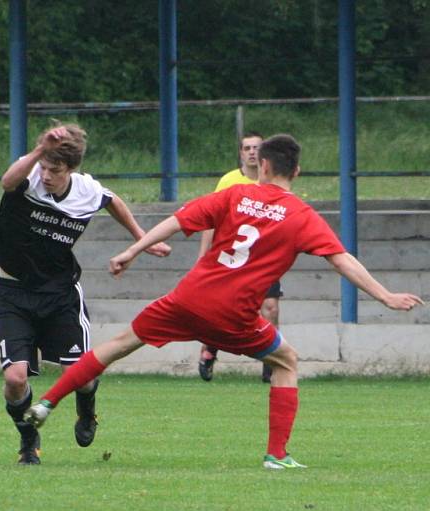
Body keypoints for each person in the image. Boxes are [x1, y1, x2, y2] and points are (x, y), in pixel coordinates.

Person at [24, 134, 423, 469]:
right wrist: (385, 296)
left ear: (262, 166)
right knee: (286, 361)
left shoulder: (235, 195)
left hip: (188, 298)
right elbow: (342, 260)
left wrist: (135, 250)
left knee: (115, 347)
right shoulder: (302, 216)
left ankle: (46, 402)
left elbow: (178, 220)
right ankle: (276, 455)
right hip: (234, 314)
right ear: (295, 172)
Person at [0, 122, 171, 465]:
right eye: (43, 166)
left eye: (54, 170)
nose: (46, 175)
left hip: (59, 294)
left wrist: (140, 237)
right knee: (15, 378)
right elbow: (7, 182)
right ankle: (28, 437)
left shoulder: (86, 190)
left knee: (82, 376)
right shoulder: (29, 179)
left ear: (71, 169)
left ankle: (87, 411)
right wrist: (40, 151)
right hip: (14, 291)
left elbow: (112, 200)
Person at [196, 131, 282, 383]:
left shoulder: (274, 181)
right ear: (241, 153)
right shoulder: (229, 181)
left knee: (270, 307)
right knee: (222, 308)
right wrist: (204, 255)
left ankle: (270, 362)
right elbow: (210, 219)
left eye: (257, 147)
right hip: (231, 255)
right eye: (247, 148)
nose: (253, 152)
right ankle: (210, 348)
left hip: (263, 258)